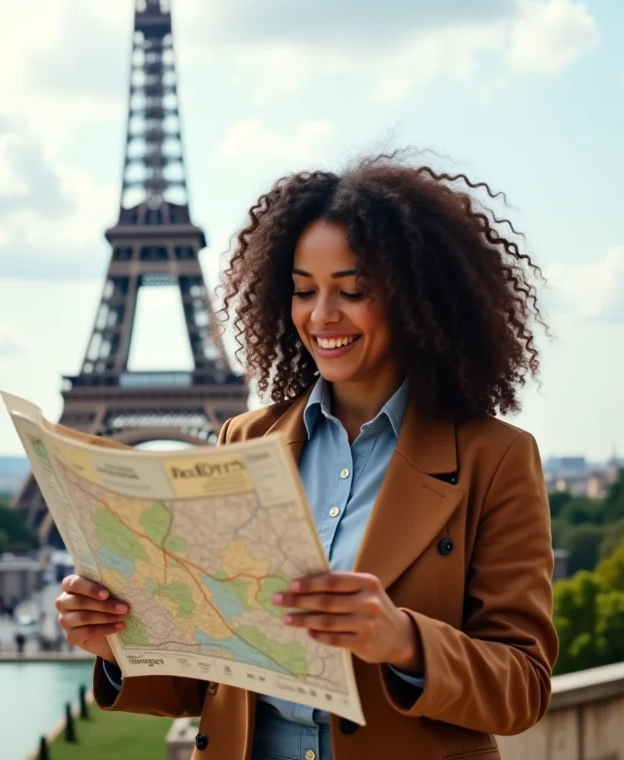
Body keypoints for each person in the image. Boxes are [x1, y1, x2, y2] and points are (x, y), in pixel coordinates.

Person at [56, 153, 559, 760]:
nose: (322, 316)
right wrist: (118, 646)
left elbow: (524, 689)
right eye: (303, 291)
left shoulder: (496, 459)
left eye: (352, 291)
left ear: (416, 300)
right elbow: (210, 676)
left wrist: (406, 642)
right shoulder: (243, 441)